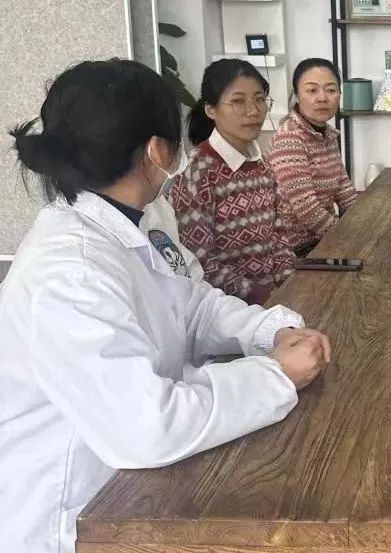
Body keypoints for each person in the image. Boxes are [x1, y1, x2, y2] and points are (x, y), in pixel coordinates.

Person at [0, 59, 331, 553]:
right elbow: (146, 426)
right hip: (75, 515)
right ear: (158, 150)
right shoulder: (70, 271)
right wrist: (274, 375)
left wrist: (270, 331)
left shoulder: (142, 216)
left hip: (142, 488)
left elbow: (190, 304)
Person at [172, 58, 294, 304]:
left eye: (260, 99)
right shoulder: (196, 173)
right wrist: (262, 297)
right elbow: (200, 263)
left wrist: (290, 286)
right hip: (225, 311)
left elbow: (280, 239)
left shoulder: (263, 166)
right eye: (238, 101)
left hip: (273, 303)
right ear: (211, 110)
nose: (253, 110)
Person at [269, 58, 358, 256]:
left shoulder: (327, 135)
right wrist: (345, 239)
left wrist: (363, 222)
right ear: (297, 96)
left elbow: (344, 189)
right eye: (312, 90)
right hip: (294, 251)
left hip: (321, 241)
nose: (322, 98)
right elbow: (306, 207)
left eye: (331, 90)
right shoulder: (289, 137)